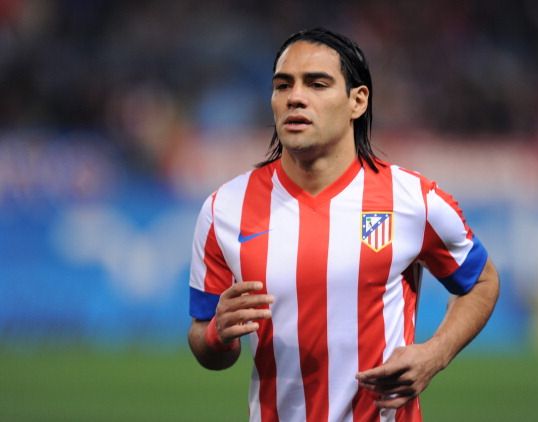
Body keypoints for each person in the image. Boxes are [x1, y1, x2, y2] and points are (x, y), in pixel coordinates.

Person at [187, 27, 499, 422]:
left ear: (358, 100)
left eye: (317, 84)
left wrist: (434, 355)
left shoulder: (412, 200)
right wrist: (217, 333)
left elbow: (482, 281)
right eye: (283, 85)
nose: (295, 97)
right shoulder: (224, 210)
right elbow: (203, 339)